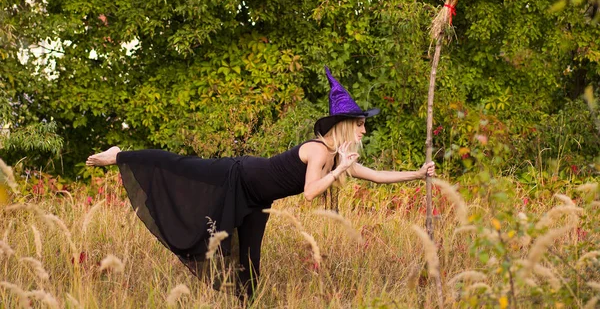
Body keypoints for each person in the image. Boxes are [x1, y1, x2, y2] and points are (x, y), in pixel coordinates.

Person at [86, 66, 435, 302]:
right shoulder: (318, 151)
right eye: (360, 124)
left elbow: (374, 176)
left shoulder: (337, 156)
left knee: (248, 267)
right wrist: (338, 168)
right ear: (344, 125)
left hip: (257, 203)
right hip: (235, 176)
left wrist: (418, 174)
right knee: (182, 166)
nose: (363, 130)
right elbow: (313, 191)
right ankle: (122, 155)